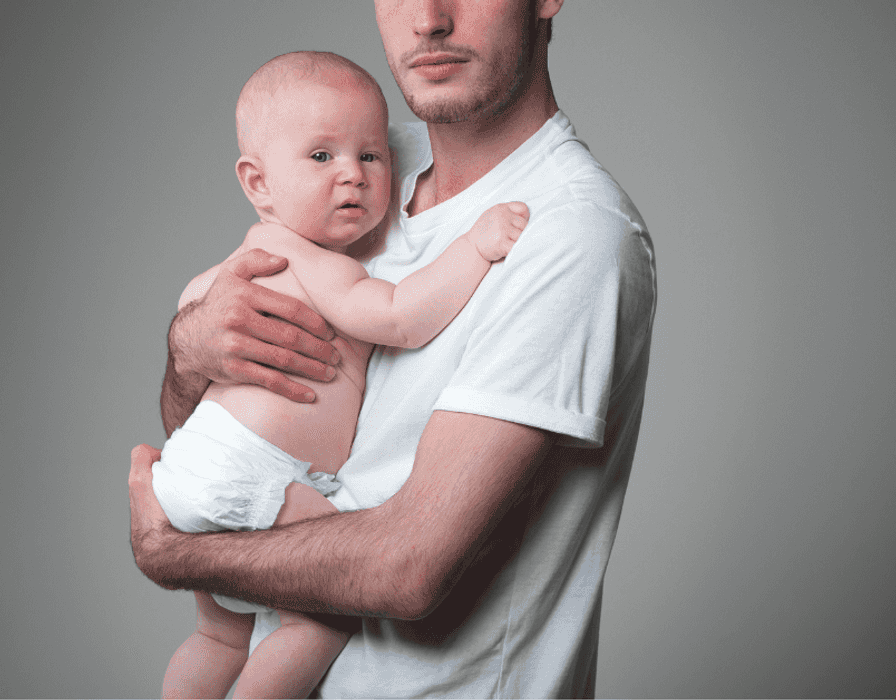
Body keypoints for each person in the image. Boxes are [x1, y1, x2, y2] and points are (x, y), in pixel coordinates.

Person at [129, 0, 658, 696]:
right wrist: (190, 350)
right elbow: (235, 430)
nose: (428, 18)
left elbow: (404, 571)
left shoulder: (569, 232)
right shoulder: (361, 159)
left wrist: (175, 552)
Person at [153, 51, 527, 699]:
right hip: (254, 471)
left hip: (194, 468)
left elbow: (191, 321)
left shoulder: (236, 265)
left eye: (371, 156)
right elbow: (398, 318)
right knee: (320, 620)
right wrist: (475, 246)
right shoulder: (311, 260)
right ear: (258, 183)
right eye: (321, 158)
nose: (352, 176)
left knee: (219, 636)